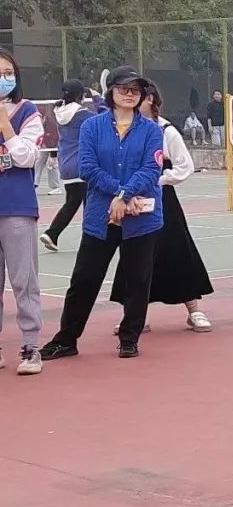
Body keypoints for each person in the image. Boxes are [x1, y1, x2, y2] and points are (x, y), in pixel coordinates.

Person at [40, 66, 163, 360]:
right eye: (124, 88)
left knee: (137, 280)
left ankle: (129, 337)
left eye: (135, 90)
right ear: (111, 92)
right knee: (85, 278)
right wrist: (119, 194)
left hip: (142, 217)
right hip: (101, 216)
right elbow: (88, 168)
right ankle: (66, 339)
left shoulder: (151, 130)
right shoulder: (91, 127)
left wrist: (125, 195)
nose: (130, 94)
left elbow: (151, 168)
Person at [110, 82, 213, 333]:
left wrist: (158, 179)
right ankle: (135, 316)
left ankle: (194, 310)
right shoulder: (120, 129)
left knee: (177, 250)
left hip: (163, 200)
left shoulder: (167, 131)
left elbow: (185, 166)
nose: (134, 100)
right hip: (130, 199)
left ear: (151, 100)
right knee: (135, 255)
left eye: (140, 96)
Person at [0, 48, 45, 375]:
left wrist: (5, 126)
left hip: (16, 206)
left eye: (8, 73)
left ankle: (31, 346)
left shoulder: (28, 111)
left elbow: (26, 157)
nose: (4, 79)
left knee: (23, 280)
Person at [40, 80, 106, 252]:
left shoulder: (58, 112)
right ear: (81, 95)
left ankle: (52, 233)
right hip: (82, 165)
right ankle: (89, 241)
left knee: (72, 202)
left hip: (66, 166)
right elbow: (106, 117)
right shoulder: (82, 114)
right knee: (89, 204)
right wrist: (98, 98)